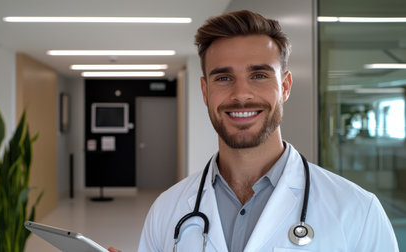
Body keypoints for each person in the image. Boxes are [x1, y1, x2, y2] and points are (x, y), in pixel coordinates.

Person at [137, 10, 399, 251]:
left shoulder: (357, 211)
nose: (241, 95)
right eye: (224, 78)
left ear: (285, 86)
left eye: (259, 75)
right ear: (205, 92)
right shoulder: (167, 210)